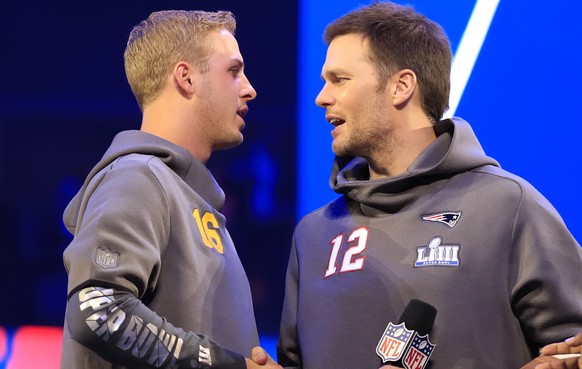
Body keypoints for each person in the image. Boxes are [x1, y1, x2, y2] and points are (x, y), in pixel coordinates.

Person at [276, 2, 582, 369]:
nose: (321, 97)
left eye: (339, 80)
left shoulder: (508, 208)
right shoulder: (312, 235)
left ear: (401, 86)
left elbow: (572, 349)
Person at [61, 9, 281, 369]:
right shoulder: (137, 177)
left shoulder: (183, 196)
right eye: (234, 71)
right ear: (187, 78)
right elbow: (97, 308)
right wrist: (227, 364)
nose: (249, 88)